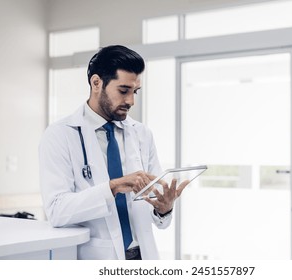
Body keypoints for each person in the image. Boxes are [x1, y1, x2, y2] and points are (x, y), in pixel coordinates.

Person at [39, 45, 188, 260]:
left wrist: (163, 208)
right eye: (123, 90)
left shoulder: (142, 134)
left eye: (135, 92)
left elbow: (156, 210)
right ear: (96, 83)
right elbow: (57, 211)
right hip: (98, 258)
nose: (130, 101)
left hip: (143, 257)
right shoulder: (60, 135)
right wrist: (112, 187)